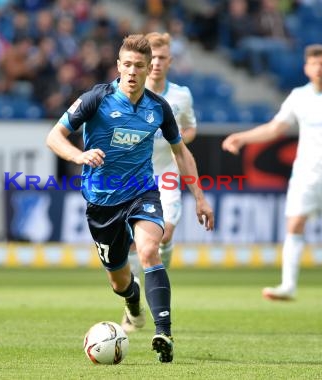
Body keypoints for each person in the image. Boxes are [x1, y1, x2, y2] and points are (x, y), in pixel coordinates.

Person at [46, 34, 214, 363]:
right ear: (118, 67)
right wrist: (78, 156)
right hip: (102, 201)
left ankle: (164, 332)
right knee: (119, 280)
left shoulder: (158, 107)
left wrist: (200, 197)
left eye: (140, 65)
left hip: (141, 191)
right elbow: (54, 137)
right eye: (128, 65)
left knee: (151, 249)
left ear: (149, 66)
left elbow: (182, 153)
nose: (134, 71)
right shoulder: (96, 99)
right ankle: (132, 301)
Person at [222, 44, 322, 305]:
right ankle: (288, 285)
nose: (319, 68)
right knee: (295, 224)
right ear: (306, 68)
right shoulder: (299, 96)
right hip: (304, 172)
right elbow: (275, 128)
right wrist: (243, 137)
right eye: (314, 64)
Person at [124, 32, 198, 332]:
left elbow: (190, 129)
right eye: (151, 58)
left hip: (166, 176)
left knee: (162, 236)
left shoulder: (181, 96)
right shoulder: (127, 94)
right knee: (132, 246)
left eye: (162, 58)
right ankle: (133, 302)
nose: (156, 63)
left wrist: (175, 138)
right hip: (133, 178)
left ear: (169, 61)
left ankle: (155, 280)